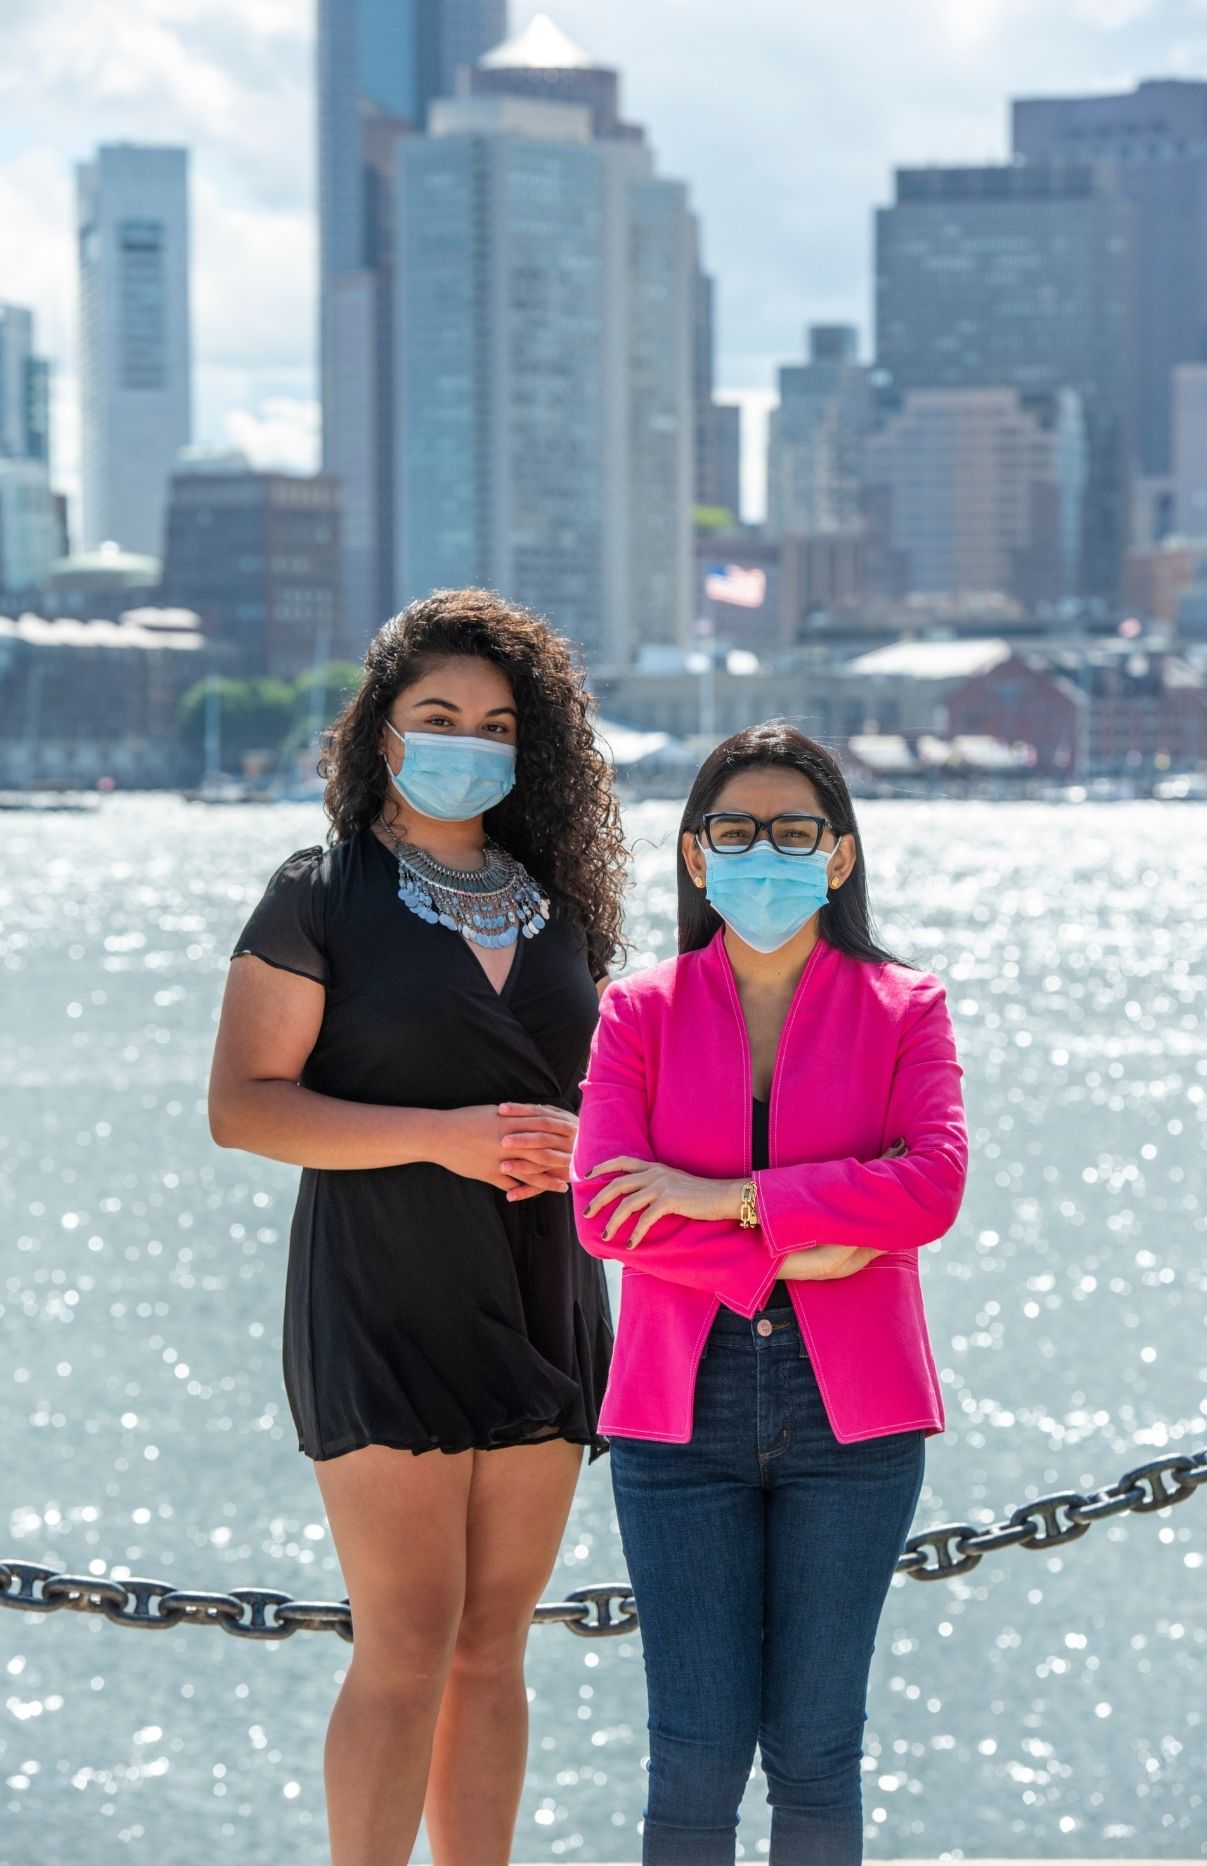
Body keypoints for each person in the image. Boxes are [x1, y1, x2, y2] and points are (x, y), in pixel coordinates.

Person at [208, 589, 626, 1866]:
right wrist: (437, 1135)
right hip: (381, 1286)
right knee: (403, 1641)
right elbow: (241, 1107)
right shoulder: (320, 892)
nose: (468, 742)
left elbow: (605, 1090)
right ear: (380, 731)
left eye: (497, 724)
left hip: (544, 1284)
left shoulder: (561, 905)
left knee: (494, 1644)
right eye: (437, 715)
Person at [571, 721, 968, 1866]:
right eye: (734, 830)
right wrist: (817, 1235)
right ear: (695, 855)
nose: (764, 854)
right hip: (674, 1419)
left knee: (816, 1752)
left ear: (837, 855)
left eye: (793, 831)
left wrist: (723, 1202)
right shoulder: (635, 1011)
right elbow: (601, 1212)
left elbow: (931, 1189)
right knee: (691, 1757)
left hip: (857, 1422)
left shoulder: (907, 1007)